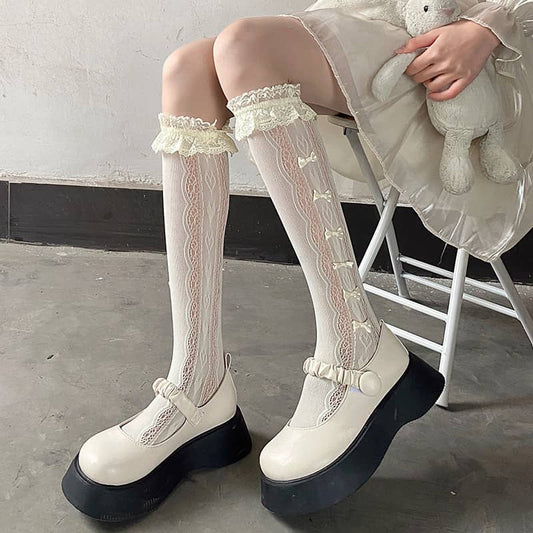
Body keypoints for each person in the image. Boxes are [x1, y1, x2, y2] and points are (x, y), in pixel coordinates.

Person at [60, 0, 532, 521]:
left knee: (248, 46)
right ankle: (198, 380)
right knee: (188, 68)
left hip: (489, 45)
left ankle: (356, 343)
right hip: (390, 18)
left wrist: (486, 29)